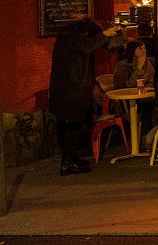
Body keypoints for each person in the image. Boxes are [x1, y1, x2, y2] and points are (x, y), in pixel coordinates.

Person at [48, 16, 120, 175]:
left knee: (70, 124)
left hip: (69, 88)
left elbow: (106, 46)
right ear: (85, 31)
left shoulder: (69, 35)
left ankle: (71, 158)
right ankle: (67, 164)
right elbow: (86, 47)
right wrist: (104, 34)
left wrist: (115, 36)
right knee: (71, 124)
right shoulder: (72, 38)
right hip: (70, 89)